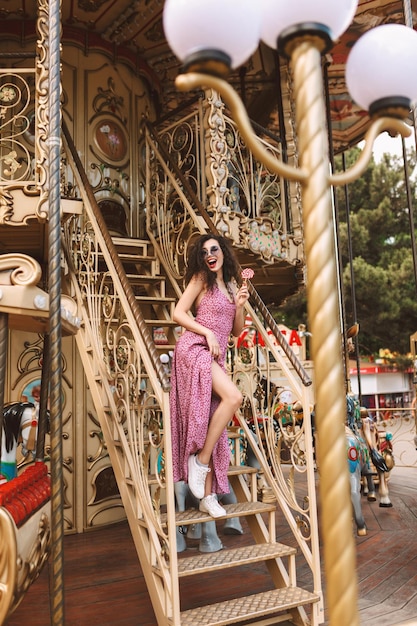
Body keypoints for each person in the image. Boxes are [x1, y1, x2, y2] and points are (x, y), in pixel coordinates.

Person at [169, 234, 249, 518]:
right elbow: (178, 312)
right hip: (195, 348)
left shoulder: (229, 285)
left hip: (216, 357)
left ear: (223, 252)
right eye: (204, 252)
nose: (210, 254)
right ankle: (200, 462)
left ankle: (209, 495)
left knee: (217, 417)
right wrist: (206, 332)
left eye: (214, 249)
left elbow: (237, 331)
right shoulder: (201, 278)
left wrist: (239, 305)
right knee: (234, 396)